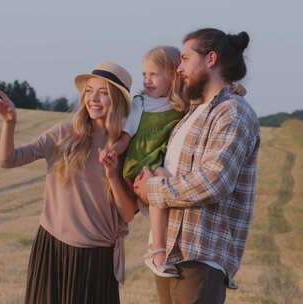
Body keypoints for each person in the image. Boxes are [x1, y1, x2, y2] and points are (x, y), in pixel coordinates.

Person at [133, 28, 261, 304]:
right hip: (172, 254)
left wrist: (153, 189)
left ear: (210, 59)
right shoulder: (193, 112)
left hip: (201, 256)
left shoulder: (233, 112)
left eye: (185, 59)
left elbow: (214, 182)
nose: (179, 68)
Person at [0, 62, 137, 304]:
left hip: (97, 255)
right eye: (89, 91)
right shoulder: (63, 134)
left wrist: (112, 175)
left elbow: (128, 213)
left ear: (117, 100)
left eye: (103, 92)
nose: (93, 98)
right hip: (53, 247)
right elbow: (8, 160)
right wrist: (9, 124)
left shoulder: (126, 148)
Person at [101, 46, 246, 278]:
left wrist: (233, 88)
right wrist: (113, 152)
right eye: (144, 75)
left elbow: (212, 97)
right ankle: (158, 251)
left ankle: (167, 247)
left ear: (173, 75)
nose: (147, 81)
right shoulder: (140, 104)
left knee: (167, 188)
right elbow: (126, 137)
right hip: (142, 163)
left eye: (154, 74)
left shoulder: (183, 103)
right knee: (162, 185)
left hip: (158, 162)